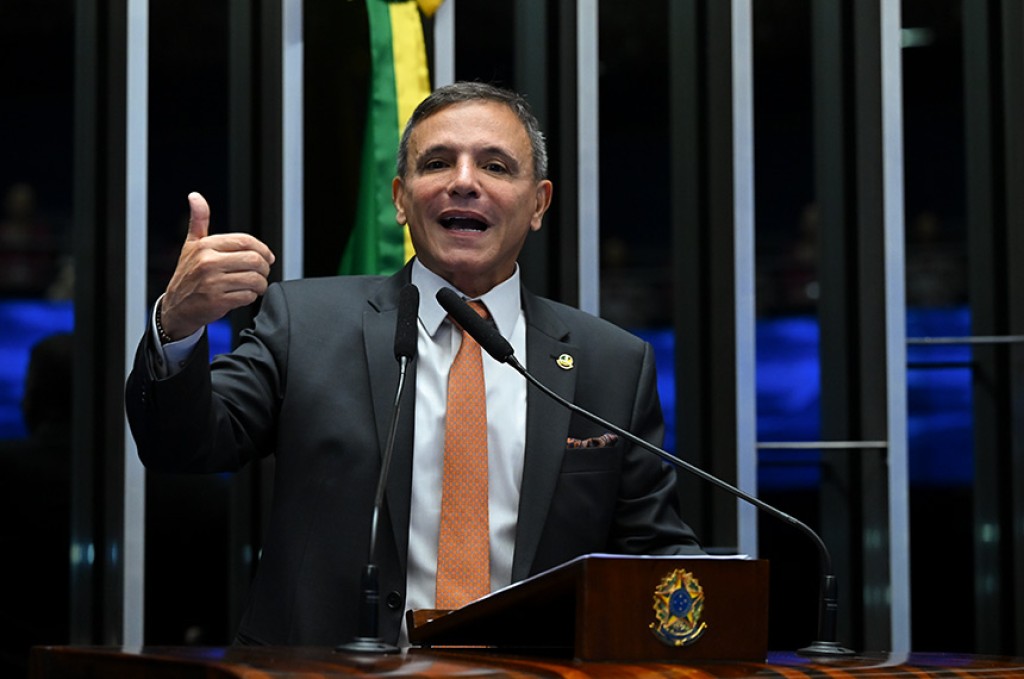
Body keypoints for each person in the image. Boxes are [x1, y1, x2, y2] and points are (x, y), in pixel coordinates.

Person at [125, 81, 702, 647]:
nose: (464, 182)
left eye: (495, 166)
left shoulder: (611, 363)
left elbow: (655, 555)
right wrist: (178, 324)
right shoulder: (307, 323)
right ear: (401, 198)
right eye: (437, 163)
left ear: (538, 204)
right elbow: (183, 446)